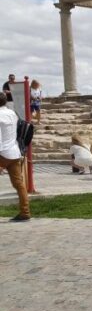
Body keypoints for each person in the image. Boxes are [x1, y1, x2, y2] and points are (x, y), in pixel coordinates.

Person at [0, 92, 30, 222]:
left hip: (2, 153)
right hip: (14, 152)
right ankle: (25, 212)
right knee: (19, 184)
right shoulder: (12, 113)